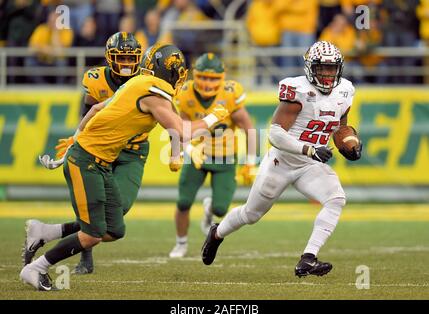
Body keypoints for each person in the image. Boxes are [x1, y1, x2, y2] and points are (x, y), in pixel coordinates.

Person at [19, 43, 229, 291]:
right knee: (93, 234)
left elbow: (97, 108)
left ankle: (45, 231)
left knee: (113, 228)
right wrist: (214, 116)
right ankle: (36, 268)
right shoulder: (153, 91)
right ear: (172, 72)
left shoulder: (137, 83)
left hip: (99, 161)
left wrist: (76, 137)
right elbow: (183, 131)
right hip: (87, 160)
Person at [201, 41, 363, 277]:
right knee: (251, 214)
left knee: (336, 199)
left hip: (310, 165)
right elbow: (275, 133)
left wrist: (350, 144)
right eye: (322, 68)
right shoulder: (298, 91)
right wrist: (309, 149)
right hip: (282, 162)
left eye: (331, 69)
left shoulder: (345, 90)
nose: (327, 75)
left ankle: (308, 258)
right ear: (310, 68)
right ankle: (216, 233)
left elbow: (341, 128)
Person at [22, 31, 145, 275]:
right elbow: (87, 110)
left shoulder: (144, 80)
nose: (127, 63)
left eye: (131, 58)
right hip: (99, 147)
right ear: (110, 58)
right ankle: (84, 258)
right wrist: (76, 140)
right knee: (95, 204)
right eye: (121, 58)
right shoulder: (96, 79)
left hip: (132, 150)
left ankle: (49, 232)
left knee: (117, 211)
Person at [169, 52, 256, 258]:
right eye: (204, 77)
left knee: (220, 208)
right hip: (198, 155)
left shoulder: (229, 95)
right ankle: (181, 243)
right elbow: (178, 128)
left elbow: (249, 128)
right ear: (195, 76)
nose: (207, 83)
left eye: (212, 78)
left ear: (222, 78)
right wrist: (182, 151)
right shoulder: (186, 93)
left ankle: (209, 209)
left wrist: (250, 162)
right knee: (183, 202)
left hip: (225, 157)